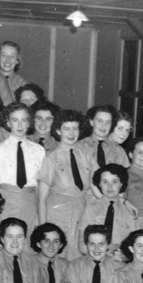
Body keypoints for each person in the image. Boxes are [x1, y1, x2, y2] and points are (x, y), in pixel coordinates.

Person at [37, 110, 96, 261]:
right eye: (66, 128)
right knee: (57, 258)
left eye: (75, 128)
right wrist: (44, 230)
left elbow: (98, 186)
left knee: (76, 258)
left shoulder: (88, 156)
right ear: (58, 131)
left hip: (80, 213)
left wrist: (123, 202)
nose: (71, 133)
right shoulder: (51, 158)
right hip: (57, 214)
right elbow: (41, 198)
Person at [0, 102, 45, 231]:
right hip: (5, 204)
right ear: (8, 123)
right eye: (15, 120)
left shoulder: (39, 150)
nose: (19, 125)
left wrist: (38, 218)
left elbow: (41, 189)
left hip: (30, 205)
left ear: (29, 123)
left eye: (23, 120)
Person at [79, 164, 140, 250]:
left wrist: (121, 254)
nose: (110, 186)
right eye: (105, 182)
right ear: (99, 184)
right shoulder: (91, 209)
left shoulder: (128, 212)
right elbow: (82, 246)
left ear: (121, 184)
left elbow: (134, 245)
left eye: (114, 182)